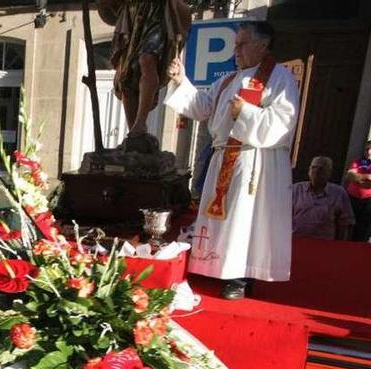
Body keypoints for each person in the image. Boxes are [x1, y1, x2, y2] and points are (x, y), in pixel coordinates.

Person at [165, 21, 300, 300]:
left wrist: (246, 114)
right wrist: (181, 80)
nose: (235, 50)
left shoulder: (279, 78)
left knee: (243, 219)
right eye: (235, 44)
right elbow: (203, 107)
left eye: (242, 44)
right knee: (221, 218)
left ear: (263, 46)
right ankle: (214, 266)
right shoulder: (228, 79)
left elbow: (283, 123)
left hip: (253, 159)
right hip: (223, 156)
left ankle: (239, 277)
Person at [104, 0, 191, 140]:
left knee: (147, 58)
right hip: (132, 10)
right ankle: (134, 133)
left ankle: (140, 122)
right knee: (126, 75)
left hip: (156, 12)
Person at [292, 156, 354, 241]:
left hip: (324, 245)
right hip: (295, 241)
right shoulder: (295, 189)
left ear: (329, 172)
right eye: (313, 168)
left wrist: (340, 248)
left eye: (321, 169)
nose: (316, 172)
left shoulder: (338, 193)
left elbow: (346, 223)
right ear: (309, 170)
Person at [345, 140, 371, 241]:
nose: (369, 151)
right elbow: (350, 176)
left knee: (364, 229)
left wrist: (358, 178)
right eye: (367, 149)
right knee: (349, 224)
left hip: (368, 201)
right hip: (352, 198)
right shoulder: (358, 162)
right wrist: (367, 176)